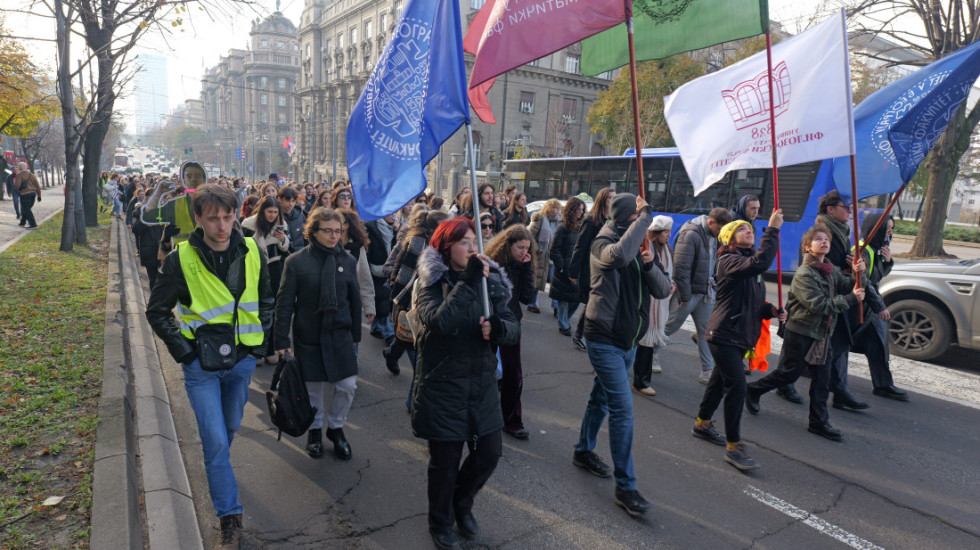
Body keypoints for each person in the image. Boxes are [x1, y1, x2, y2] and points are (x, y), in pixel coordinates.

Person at [145, 185, 274, 550]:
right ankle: (229, 519)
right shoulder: (180, 259)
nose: (222, 226)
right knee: (216, 442)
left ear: (235, 214)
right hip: (201, 367)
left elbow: (266, 298)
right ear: (198, 218)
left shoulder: (250, 248)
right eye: (213, 218)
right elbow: (157, 312)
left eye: (228, 216)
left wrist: (257, 346)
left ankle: (220, 473)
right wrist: (186, 354)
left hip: (241, 362)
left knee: (229, 429)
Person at [411, 217, 519, 549]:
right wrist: (469, 281)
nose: (472, 248)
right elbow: (441, 321)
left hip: (481, 383)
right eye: (463, 242)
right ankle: (440, 521)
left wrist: (499, 329)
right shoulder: (430, 280)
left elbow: (513, 325)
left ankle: (461, 502)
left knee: (489, 453)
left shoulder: (492, 279)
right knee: (444, 462)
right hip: (443, 382)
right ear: (447, 247)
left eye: (475, 241)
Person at [573, 193, 671, 517]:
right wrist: (645, 217)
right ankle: (626, 486)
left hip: (630, 340)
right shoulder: (604, 242)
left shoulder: (641, 246)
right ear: (626, 218)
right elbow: (616, 257)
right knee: (622, 409)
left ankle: (583, 451)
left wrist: (650, 264)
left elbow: (662, 289)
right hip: (603, 338)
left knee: (600, 399)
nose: (641, 225)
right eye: (636, 219)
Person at [745, 224, 866, 441]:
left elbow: (850, 286)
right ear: (807, 247)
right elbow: (819, 305)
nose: (824, 241)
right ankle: (753, 390)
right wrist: (851, 299)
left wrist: (860, 274)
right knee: (789, 373)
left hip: (822, 333)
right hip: (801, 332)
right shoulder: (804, 274)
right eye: (818, 239)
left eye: (826, 238)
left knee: (822, 378)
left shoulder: (830, 269)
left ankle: (818, 422)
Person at [694, 211, 785, 471]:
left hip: (740, 336)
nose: (749, 232)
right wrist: (773, 230)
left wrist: (772, 311)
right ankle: (734, 447)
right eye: (742, 229)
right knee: (737, 387)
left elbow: (755, 302)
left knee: (719, 384)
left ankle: (702, 423)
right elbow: (760, 262)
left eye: (751, 230)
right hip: (723, 335)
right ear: (729, 238)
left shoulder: (750, 265)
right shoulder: (728, 260)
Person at [275, 208, 362, 461]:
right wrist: (281, 340)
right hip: (309, 336)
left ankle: (335, 428)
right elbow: (284, 304)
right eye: (328, 231)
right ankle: (314, 432)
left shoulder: (348, 260)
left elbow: (355, 302)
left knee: (347, 386)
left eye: (338, 231)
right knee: (313, 390)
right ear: (313, 231)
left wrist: (356, 334)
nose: (334, 236)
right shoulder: (296, 262)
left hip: (340, 335)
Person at [779, 191, 869, 411]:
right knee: (796, 353)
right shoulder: (822, 230)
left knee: (835, 349)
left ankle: (837, 392)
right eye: (845, 206)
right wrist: (846, 270)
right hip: (818, 304)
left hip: (834, 298)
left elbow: (841, 272)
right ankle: (777, 384)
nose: (851, 211)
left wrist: (856, 269)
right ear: (830, 209)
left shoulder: (841, 230)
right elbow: (814, 265)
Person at [383, 208, 449, 390]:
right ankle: (412, 402)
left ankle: (391, 353)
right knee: (418, 355)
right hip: (410, 301)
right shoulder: (416, 243)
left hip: (430, 302)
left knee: (408, 339)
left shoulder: (444, 244)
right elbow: (394, 271)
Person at [665, 207, 733, 384]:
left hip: (706, 292)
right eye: (719, 228)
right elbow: (681, 268)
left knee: (706, 332)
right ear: (711, 222)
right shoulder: (691, 234)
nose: (721, 234)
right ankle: (649, 354)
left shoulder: (712, 235)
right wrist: (684, 296)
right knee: (669, 327)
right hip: (689, 293)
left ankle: (707, 371)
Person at [485, 225, 536, 440]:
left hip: (512, 323)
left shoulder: (523, 265)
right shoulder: (494, 265)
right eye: (520, 247)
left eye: (527, 248)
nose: (524, 252)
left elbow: (526, 298)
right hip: (490, 322)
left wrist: (527, 270)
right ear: (508, 245)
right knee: (484, 370)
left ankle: (512, 420)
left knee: (513, 374)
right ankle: (481, 416)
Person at [852, 213, 908, 401]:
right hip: (860, 305)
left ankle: (883, 384)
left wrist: (887, 261)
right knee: (840, 347)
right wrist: (880, 306)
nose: (889, 234)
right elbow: (865, 282)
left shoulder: (875, 249)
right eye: (887, 230)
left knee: (878, 344)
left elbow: (877, 276)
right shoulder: (862, 250)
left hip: (868, 304)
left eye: (892, 230)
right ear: (875, 230)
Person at [633, 215, 675, 397]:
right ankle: (640, 381)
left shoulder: (666, 249)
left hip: (659, 299)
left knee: (644, 342)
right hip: (646, 300)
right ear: (656, 232)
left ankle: (640, 379)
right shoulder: (646, 247)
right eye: (666, 231)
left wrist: (669, 283)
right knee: (643, 341)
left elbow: (664, 273)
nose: (669, 235)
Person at [569, 188, 616, 351]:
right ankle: (579, 335)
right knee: (591, 302)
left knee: (597, 303)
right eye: (610, 197)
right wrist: (573, 272)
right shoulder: (591, 221)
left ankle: (589, 335)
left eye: (615, 198)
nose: (613, 200)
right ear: (603, 199)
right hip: (591, 268)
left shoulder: (612, 220)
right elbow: (580, 247)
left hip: (606, 268)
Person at [337, 207, 378, 352]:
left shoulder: (357, 249)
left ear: (346, 225)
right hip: (329, 304)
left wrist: (369, 307)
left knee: (351, 342)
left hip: (350, 303)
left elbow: (364, 279)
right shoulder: (327, 246)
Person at [550, 197, 586, 336]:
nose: (580, 212)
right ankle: (563, 324)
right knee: (564, 298)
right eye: (578, 209)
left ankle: (564, 319)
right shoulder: (562, 228)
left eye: (582, 210)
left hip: (577, 268)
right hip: (564, 269)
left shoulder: (582, 226)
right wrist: (562, 266)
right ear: (572, 210)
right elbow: (554, 249)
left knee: (576, 298)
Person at [365, 214, 397, 341]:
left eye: (395, 213)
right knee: (381, 299)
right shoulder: (371, 227)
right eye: (391, 213)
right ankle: (388, 333)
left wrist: (397, 230)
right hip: (375, 269)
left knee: (382, 299)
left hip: (389, 270)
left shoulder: (395, 228)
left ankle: (376, 328)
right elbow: (367, 251)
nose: (394, 215)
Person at [526, 199, 561, 314]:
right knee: (537, 281)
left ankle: (556, 306)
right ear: (550, 208)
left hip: (552, 256)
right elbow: (530, 236)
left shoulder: (558, 221)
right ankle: (533, 303)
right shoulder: (540, 218)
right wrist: (537, 249)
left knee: (555, 281)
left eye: (559, 208)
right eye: (556, 208)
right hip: (540, 255)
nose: (558, 210)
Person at [278, 186, 307, 254]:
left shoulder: (300, 215)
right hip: (281, 255)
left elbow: (307, 236)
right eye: (288, 201)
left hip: (299, 253)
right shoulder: (275, 215)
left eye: (293, 201)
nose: (291, 204)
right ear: (280, 199)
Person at [13, 162, 42, 228]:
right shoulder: (32, 175)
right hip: (33, 194)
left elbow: (17, 186)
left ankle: (33, 224)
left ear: (20, 168)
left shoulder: (19, 175)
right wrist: (39, 195)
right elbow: (37, 186)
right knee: (27, 209)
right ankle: (22, 222)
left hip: (24, 194)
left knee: (27, 210)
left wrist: (17, 187)